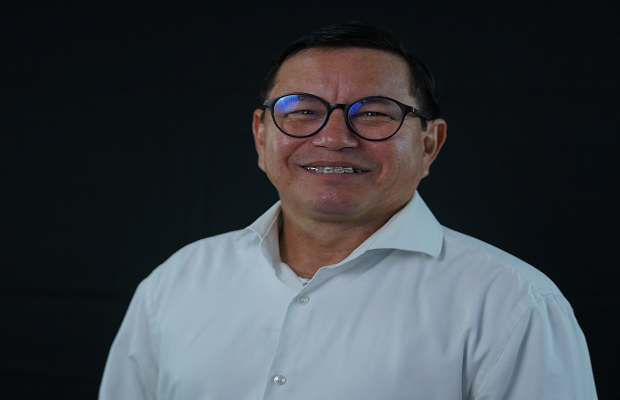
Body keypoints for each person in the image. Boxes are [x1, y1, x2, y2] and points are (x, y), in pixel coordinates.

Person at [99, 22, 597, 399]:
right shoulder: (177, 282)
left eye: (374, 113)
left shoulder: (512, 304)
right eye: (302, 110)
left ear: (430, 144)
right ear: (260, 135)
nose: (334, 138)